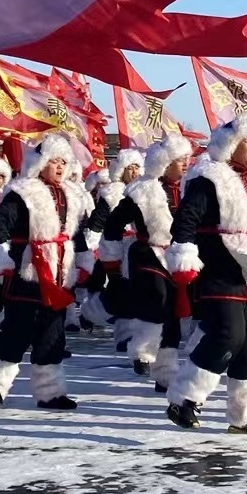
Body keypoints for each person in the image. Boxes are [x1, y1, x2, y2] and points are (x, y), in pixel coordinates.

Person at [165, 112, 247, 435]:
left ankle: (245, 415)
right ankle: (183, 398)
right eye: (246, 141)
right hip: (220, 269)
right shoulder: (209, 178)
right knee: (228, 334)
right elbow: (184, 221)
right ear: (230, 143)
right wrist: (183, 255)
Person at [0, 134, 93, 409]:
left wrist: (85, 259)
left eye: (64, 161)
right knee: (18, 331)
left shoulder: (72, 195)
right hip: (27, 272)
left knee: (53, 335)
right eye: (54, 161)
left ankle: (50, 392)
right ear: (40, 162)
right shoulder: (23, 192)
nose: (60, 167)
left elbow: (73, 235)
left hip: (59, 274)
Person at [100, 138, 191, 390]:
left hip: (179, 257)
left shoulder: (191, 188)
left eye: (185, 159)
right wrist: (111, 259)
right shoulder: (142, 190)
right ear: (163, 163)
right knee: (156, 303)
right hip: (147, 254)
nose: (184, 164)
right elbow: (114, 224)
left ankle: (165, 373)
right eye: (178, 160)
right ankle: (141, 352)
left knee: (174, 313)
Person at [85, 148, 142, 337]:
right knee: (118, 288)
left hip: (138, 247)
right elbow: (98, 220)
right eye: (130, 168)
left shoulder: (144, 190)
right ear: (121, 170)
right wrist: (92, 245)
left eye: (136, 167)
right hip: (115, 246)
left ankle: (128, 332)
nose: (134, 172)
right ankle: (91, 312)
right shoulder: (112, 192)